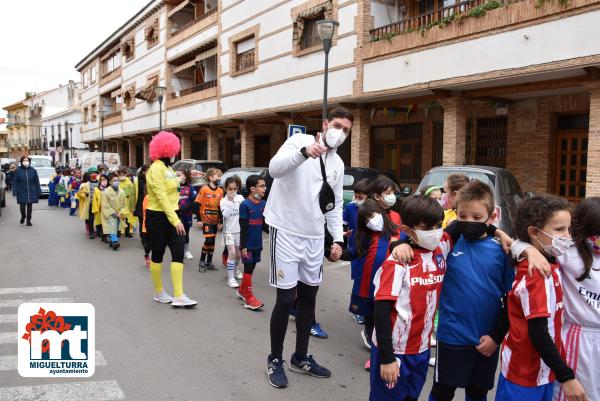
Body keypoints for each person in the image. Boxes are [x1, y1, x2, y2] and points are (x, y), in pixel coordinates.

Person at [264, 107, 352, 388]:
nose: (340, 132)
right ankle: (275, 359)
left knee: (309, 299)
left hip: (314, 237)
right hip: (286, 230)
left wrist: (336, 239)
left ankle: (300, 356)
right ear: (326, 124)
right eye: (337, 125)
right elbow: (274, 169)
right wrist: (304, 153)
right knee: (286, 299)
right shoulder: (298, 142)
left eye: (346, 130)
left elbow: (334, 205)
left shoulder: (338, 165)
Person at [426, 180, 514, 401]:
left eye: (476, 217)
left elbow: (512, 298)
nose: (469, 222)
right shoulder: (448, 244)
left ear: (492, 216)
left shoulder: (502, 251)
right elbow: (418, 244)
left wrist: (496, 336)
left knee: (477, 393)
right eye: (462, 216)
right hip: (452, 337)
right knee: (442, 392)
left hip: (486, 340)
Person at [494, 195, 587, 401]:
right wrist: (567, 377)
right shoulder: (535, 273)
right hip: (524, 376)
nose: (567, 236)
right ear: (535, 232)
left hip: (544, 372)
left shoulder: (550, 261)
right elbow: (538, 332)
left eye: (569, 229)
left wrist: (527, 248)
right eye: (559, 229)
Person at [370, 195, 450, 401]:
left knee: (410, 397)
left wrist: (523, 246)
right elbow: (381, 311)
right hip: (395, 350)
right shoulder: (397, 262)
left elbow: (464, 224)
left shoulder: (442, 247)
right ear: (407, 229)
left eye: (438, 225)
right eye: (426, 227)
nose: (434, 231)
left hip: (421, 349)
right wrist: (387, 358)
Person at [342, 197, 402, 371]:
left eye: (373, 216)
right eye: (366, 220)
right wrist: (336, 253)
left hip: (391, 288)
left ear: (382, 212)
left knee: (388, 322)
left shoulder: (399, 233)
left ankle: (390, 355)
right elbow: (353, 253)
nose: (371, 221)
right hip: (367, 288)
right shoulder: (366, 235)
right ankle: (375, 356)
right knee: (370, 323)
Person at [146, 131, 197, 308]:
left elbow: (174, 191)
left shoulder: (169, 169)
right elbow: (161, 196)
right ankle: (159, 292)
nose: (176, 152)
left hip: (173, 214)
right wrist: (175, 220)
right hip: (158, 216)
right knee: (158, 254)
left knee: (178, 251)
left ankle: (179, 295)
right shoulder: (155, 168)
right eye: (174, 149)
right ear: (165, 149)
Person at [343, 178, 370, 325]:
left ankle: (367, 307)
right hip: (356, 250)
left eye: (362, 196)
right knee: (358, 281)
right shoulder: (350, 207)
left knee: (370, 280)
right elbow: (343, 225)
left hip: (371, 251)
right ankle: (357, 309)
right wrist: (344, 234)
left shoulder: (373, 209)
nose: (358, 199)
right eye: (357, 196)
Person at [238, 174, 268, 309]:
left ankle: (241, 290)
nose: (265, 188)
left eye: (265, 186)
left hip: (258, 244)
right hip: (247, 245)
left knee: (252, 267)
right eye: (261, 186)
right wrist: (243, 245)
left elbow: (266, 224)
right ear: (252, 189)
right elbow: (243, 227)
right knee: (248, 268)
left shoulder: (264, 204)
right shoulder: (245, 205)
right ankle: (249, 298)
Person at [195, 168, 224, 272]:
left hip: (215, 220)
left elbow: (221, 207)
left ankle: (209, 262)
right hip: (206, 219)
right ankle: (202, 261)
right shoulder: (204, 189)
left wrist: (221, 221)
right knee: (208, 240)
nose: (219, 178)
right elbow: (197, 204)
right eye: (218, 176)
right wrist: (199, 219)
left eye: (220, 176)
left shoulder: (220, 191)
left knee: (212, 242)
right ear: (211, 177)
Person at [220, 175, 244, 288]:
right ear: (226, 189)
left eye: (235, 189)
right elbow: (225, 214)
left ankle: (237, 269)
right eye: (230, 189)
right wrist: (230, 201)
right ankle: (231, 278)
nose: (232, 191)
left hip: (240, 231)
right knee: (232, 253)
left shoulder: (240, 198)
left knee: (239, 254)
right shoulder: (223, 201)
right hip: (229, 231)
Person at [12, 156, 42, 226]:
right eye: (24, 160)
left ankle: (28, 220)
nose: (26, 161)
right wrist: (15, 191)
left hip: (31, 190)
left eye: (27, 160)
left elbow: (36, 181)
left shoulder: (33, 170)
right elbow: (15, 181)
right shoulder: (18, 170)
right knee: (22, 205)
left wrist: (38, 190)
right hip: (21, 190)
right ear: (22, 162)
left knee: (29, 206)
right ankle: (23, 216)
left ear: (29, 162)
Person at [176, 168, 198, 261]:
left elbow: (194, 201)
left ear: (185, 176)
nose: (177, 177)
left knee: (186, 233)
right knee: (177, 234)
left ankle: (187, 251)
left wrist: (185, 208)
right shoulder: (174, 187)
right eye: (176, 176)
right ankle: (178, 251)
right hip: (176, 215)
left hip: (187, 214)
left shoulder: (190, 187)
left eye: (179, 175)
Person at [101, 173, 127, 250]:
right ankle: (115, 242)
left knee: (115, 228)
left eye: (117, 180)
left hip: (119, 213)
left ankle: (112, 241)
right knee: (112, 226)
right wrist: (113, 212)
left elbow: (124, 204)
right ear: (110, 182)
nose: (116, 182)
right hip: (110, 214)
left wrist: (121, 212)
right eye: (114, 180)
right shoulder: (106, 192)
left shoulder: (122, 192)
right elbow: (105, 205)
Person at [118, 167, 136, 238]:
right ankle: (120, 231)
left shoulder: (129, 183)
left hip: (127, 202)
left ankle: (127, 231)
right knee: (120, 216)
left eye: (123, 174)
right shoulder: (117, 182)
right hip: (119, 202)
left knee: (128, 217)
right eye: (120, 174)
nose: (122, 175)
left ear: (126, 174)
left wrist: (132, 205)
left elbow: (132, 194)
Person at [92, 174, 109, 242]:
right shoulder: (97, 189)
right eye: (101, 180)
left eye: (104, 179)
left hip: (108, 208)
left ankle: (105, 236)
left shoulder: (110, 189)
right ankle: (102, 235)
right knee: (100, 223)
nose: (102, 181)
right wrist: (96, 209)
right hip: (100, 208)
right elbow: (94, 200)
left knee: (107, 223)